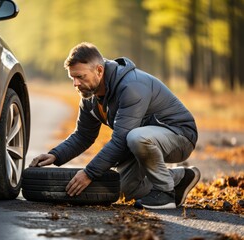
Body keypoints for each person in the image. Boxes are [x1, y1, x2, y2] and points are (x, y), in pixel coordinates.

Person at [30, 42, 201, 209]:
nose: (75, 83)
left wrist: (89, 173)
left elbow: (121, 138)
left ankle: (165, 193)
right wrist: (55, 155)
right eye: (72, 78)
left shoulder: (131, 86)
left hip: (179, 136)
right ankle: (181, 177)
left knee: (136, 137)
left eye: (80, 77)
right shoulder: (90, 97)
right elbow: (83, 135)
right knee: (123, 187)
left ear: (99, 70)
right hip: (142, 140)